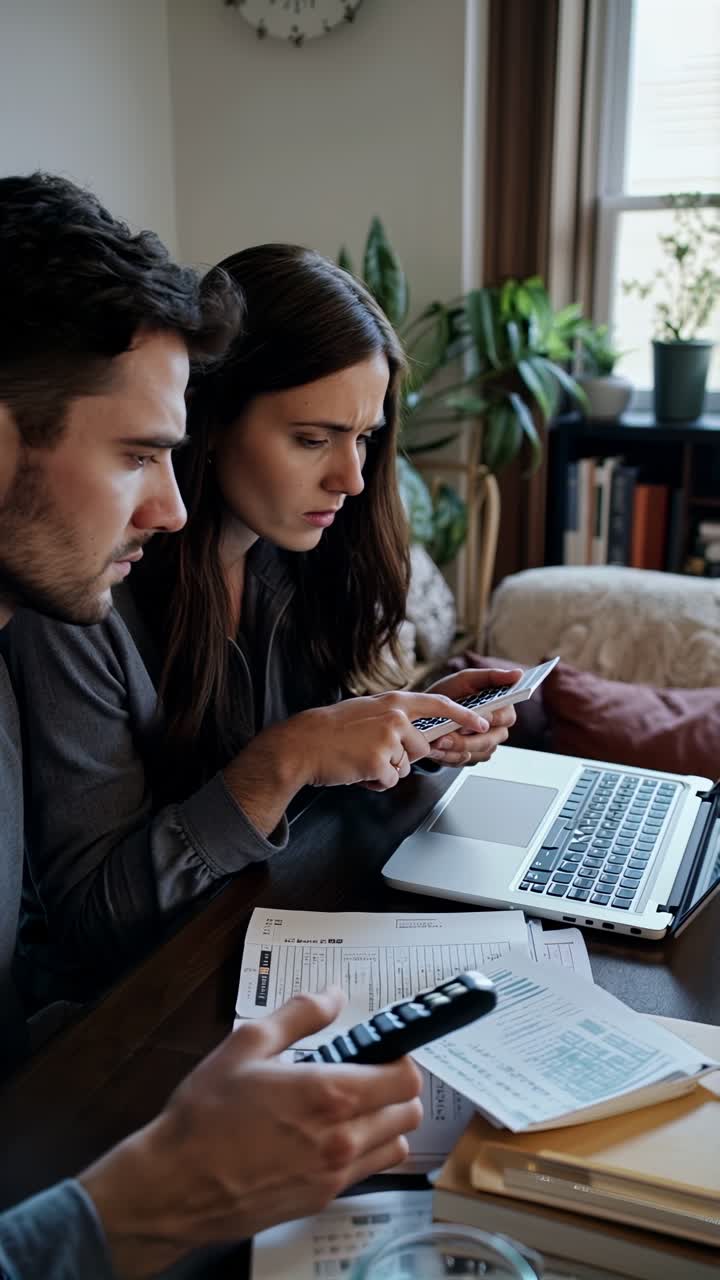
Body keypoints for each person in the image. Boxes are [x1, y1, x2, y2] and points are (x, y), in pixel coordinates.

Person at [0, 171, 424, 1279]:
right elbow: (78, 932)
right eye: (141, 454)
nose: (172, 502)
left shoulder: (277, 574)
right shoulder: (69, 610)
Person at [7, 242, 518, 1005]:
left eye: (365, 438)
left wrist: (407, 729)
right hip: (144, 1008)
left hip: (274, 942)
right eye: (312, 439)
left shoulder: (300, 555)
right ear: (207, 424)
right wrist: (281, 761)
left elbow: (316, 792)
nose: (350, 478)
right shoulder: (76, 593)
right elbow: (92, 921)